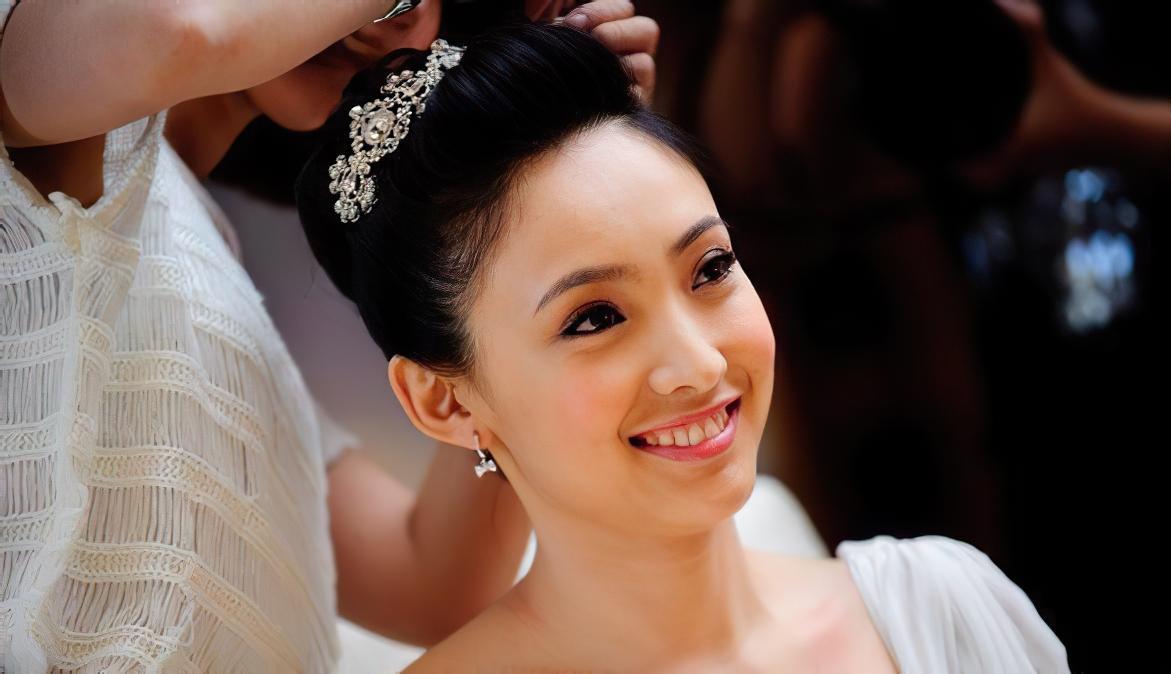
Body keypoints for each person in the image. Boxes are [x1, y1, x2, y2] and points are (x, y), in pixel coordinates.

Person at [295, 21, 1071, 672]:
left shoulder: (943, 609)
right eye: (594, 319)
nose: (700, 364)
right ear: (445, 400)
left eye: (711, 269)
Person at [0, 1, 658, 670]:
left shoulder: (213, 280)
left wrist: (558, 197)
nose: (399, 20)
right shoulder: (37, 81)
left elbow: (434, 584)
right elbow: (183, 36)